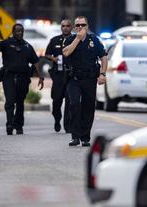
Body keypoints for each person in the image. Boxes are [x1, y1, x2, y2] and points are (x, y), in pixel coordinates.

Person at [0, 23, 44, 135]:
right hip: (8, 76)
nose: (19, 33)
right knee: (10, 101)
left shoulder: (28, 46)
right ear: (13, 32)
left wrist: (40, 77)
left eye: (21, 31)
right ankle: (9, 124)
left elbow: (35, 62)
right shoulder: (7, 43)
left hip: (23, 78)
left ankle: (19, 125)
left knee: (20, 102)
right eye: (17, 31)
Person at [63, 16, 108, 146]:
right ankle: (75, 136)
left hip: (89, 78)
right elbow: (66, 53)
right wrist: (78, 38)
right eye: (77, 25)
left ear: (87, 26)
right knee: (75, 104)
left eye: (83, 25)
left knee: (88, 107)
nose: (80, 27)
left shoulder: (94, 40)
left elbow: (103, 57)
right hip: (74, 79)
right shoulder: (71, 39)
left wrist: (103, 74)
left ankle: (85, 137)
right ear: (74, 27)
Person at [45, 19, 72, 133]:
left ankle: (68, 126)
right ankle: (57, 119)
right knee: (56, 101)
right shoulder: (54, 40)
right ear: (61, 27)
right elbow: (47, 54)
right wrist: (53, 58)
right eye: (63, 26)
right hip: (58, 75)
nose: (65, 28)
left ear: (71, 27)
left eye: (67, 26)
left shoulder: (75, 40)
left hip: (70, 74)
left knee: (70, 101)